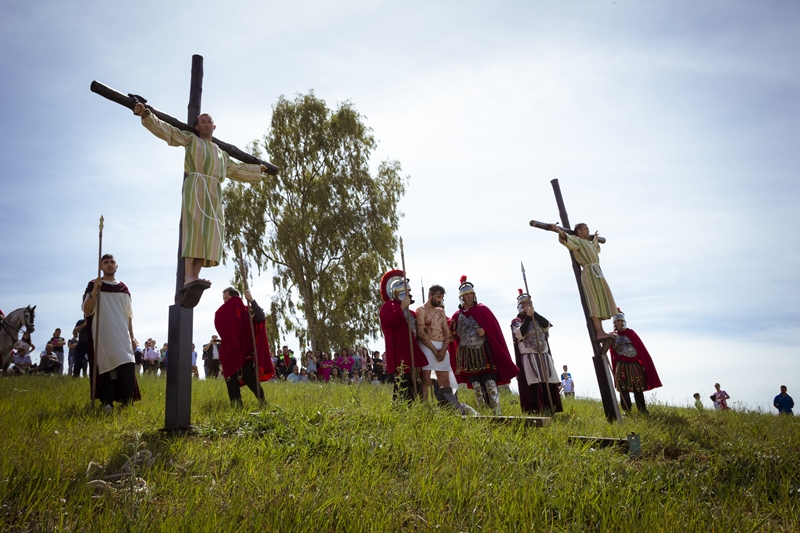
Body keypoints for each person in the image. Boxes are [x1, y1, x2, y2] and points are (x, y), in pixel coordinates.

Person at [133, 102, 269, 288]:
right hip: (195, 186)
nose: (205, 124)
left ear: (214, 126)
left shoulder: (222, 154)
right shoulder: (191, 139)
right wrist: (147, 116)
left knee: (210, 232)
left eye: (209, 121)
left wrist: (256, 170)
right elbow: (170, 132)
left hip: (214, 191)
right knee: (195, 228)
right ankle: (188, 275)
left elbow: (236, 169)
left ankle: (195, 276)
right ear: (197, 127)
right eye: (202, 121)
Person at [450, 276, 519, 415]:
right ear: (461, 297)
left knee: (490, 383)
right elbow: (453, 334)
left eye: (471, 294)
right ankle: (485, 414)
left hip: (484, 352)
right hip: (468, 356)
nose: (469, 297)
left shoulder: (483, 310)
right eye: (466, 295)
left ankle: (496, 412)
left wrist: (485, 332)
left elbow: (494, 331)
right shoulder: (457, 316)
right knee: (477, 386)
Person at [81, 254, 140, 410]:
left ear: (116, 266)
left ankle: (126, 402)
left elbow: (128, 315)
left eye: (112, 262)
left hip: (122, 333)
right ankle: (107, 402)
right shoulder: (94, 285)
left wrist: (132, 336)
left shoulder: (124, 288)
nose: (109, 264)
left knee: (127, 364)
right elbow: (87, 310)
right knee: (105, 367)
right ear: (101, 267)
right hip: (102, 332)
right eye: (105, 262)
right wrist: (94, 291)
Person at [550, 223, 617, 339]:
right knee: (594, 301)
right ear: (579, 231)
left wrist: (595, 238)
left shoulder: (588, 243)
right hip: (589, 273)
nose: (588, 230)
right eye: (585, 229)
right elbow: (567, 239)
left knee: (601, 300)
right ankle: (598, 332)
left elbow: (595, 247)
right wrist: (558, 230)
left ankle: (602, 330)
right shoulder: (577, 241)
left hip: (598, 273)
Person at [214, 287, 275, 406]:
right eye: (224, 299)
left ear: (236, 298)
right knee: (231, 380)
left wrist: (251, 300)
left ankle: (262, 402)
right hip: (230, 353)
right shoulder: (224, 315)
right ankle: (236, 406)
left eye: (227, 298)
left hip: (245, 353)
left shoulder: (248, 311)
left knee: (247, 376)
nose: (225, 302)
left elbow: (261, 317)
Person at [415, 284, 469, 412]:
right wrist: (434, 350)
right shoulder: (421, 310)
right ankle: (425, 408)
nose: (440, 300)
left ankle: (449, 408)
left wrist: (444, 349)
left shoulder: (441, 311)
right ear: (430, 295)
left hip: (441, 347)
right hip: (427, 347)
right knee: (426, 379)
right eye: (438, 297)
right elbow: (422, 333)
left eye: (441, 297)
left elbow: (446, 332)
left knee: (444, 380)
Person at [378, 269, 428, 402]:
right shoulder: (389, 306)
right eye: (406, 292)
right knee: (403, 382)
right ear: (396, 293)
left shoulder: (410, 311)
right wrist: (401, 308)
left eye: (409, 293)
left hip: (413, 351)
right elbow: (389, 321)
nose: (408, 295)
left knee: (415, 381)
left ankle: (413, 410)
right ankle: (400, 410)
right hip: (401, 352)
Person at [511, 290, 563, 415]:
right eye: (523, 303)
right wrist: (528, 317)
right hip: (529, 356)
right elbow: (520, 334)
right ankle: (536, 410)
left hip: (543, 355)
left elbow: (546, 325)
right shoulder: (516, 321)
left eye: (528, 302)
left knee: (548, 383)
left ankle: (550, 409)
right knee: (534, 384)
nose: (526, 305)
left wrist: (534, 314)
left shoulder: (538, 318)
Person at [609, 311, 662, 414]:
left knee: (637, 388)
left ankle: (642, 410)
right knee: (623, 389)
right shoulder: (612, 336)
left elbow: (641, 349)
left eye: (619, 321)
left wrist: (642, 365)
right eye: (616, 322)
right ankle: (627, 411)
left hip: (634, 366)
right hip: (621, 366)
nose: (617, 323)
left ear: (623, 322)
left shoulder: (631, 333)